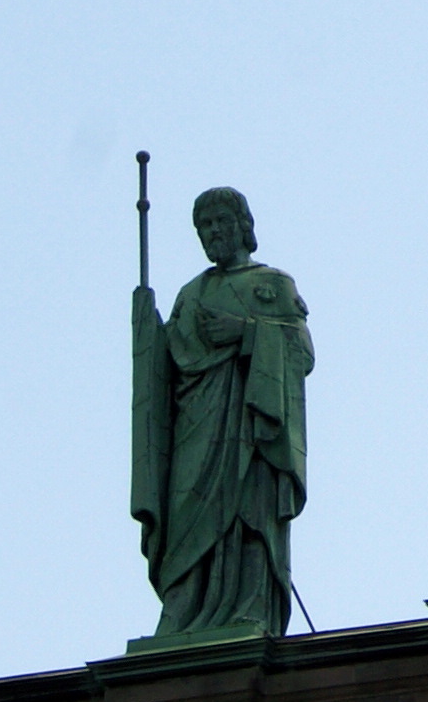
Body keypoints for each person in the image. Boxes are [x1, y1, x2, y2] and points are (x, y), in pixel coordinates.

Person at [132, 187, 314, 641]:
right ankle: (184, 606)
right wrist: (146, 330)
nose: (212, 233)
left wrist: (248, 334)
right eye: (203, 226)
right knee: (187, 516)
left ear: (243, 226)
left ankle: (249, 604)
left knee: (247, 513)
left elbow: (302, 351)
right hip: (197, 423)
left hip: (250, 426)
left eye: (220, 222)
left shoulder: (272, 283)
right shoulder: (190, 293)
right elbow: (170, 361)